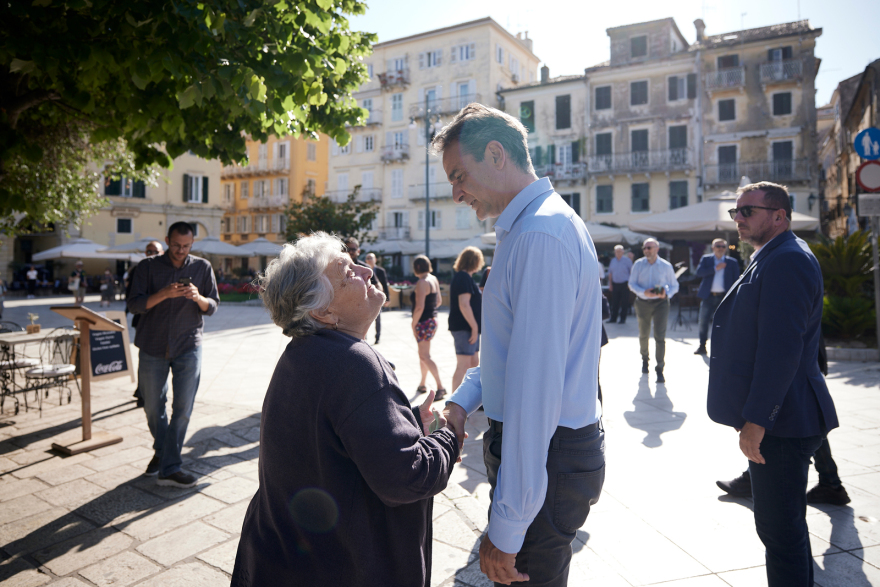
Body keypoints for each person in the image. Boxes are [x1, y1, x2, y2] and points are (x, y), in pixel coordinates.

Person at [435, 104, 604, 586]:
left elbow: (534, 393)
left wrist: (508, 527)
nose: (456, 193)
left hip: (548, 454)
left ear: (496, 154)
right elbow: (509, 356)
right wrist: (461, 402)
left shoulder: (537, 234)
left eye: (459, 175)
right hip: (552, 453)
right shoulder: (534, 226)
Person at [231, 233, 459, 587]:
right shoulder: (354, 362)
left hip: (282, 559)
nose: (367, 271)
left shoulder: (302, 352)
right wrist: (450, 433)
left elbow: (336, 441)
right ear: (324, 312)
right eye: (348, 273)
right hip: (340, 567)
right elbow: (407, 478)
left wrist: (409, 425)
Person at [707, 181, 838, 587]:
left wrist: (758, 420)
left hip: (784, 422)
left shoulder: (788, 259)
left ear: (779, 216)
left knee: (780, 533)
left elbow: (781, 351)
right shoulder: (773, 254)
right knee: (782, 530)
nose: (738, 218)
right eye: (736, 211)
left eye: (748, 211)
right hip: (784, 418)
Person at [127, 222, 219, 488]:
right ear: (167, 240)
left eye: (186, 246)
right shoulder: (147, 267)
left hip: (188, 345)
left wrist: (198, 297)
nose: (181, 250)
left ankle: (169, 466)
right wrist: (163, 294)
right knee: (152, 406)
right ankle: (163, 453)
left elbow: (213, 305)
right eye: (176, 245)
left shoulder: (202, 267)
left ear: (192, 243)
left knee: (183, 409)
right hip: (152, 345)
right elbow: (134, 304)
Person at [628, 238, 679, 383]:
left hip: (661, 303)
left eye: (649, 248)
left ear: (657, 249)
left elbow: (674, 285)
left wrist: (666, 294)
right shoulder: (638, 264)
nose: (646, 250)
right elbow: (631, 284)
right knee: (643, 334)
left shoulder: (666, 266)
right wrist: (644, 292)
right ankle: (645, 359)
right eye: (644, 248)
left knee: (659, 336)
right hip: (642, 302)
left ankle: (660, 368)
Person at [126, 241, 164, 408]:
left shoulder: (169, 269)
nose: (151, 254)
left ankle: (151, 391)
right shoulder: (139, 269)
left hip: (166, 321)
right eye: (149, 251)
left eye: (155, 251)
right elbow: (131, 297)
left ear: (162, 252)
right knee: (146, 357)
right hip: (143, 319)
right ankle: (142, 392)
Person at [693, 239, 740, 355]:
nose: (720, 248)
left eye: (723, 246)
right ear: (713, 248)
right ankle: (702, 346)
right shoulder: (706, 259)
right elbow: (699, 273)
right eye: (718, 246)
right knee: (703, 322)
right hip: (708, 296)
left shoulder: (732, 262)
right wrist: (715, 268)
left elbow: (737, 280)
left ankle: (723, 347)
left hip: (724, 297)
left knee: (725, 323)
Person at [449, 246, 484, 392]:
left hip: (468, 327)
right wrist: (474, 328)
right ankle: (453, 402)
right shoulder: (463, 277)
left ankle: (470, 399)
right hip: (465, 328)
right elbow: (464, 304)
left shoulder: (465, 277)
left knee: (474, 364)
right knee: (463, 365)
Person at [411, 255, 446, 399]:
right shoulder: (433, 279)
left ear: (417, 267)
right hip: (432, 320)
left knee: (425, 356)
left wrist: (413, 323)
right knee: (423, 355)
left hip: (423, 322)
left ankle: (440, 387)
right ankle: (422, 384)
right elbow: (438, 301)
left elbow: (419, 307)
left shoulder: (422, 282)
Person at [364, 252, 390, 344]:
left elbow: (385, 284)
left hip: (377, 298)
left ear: (375, 260)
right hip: (366, 298)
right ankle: (364, 337)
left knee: (378, 318)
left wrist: (387, 298)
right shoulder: (363, 269)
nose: (369, 260)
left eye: (371, 258)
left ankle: (377, 336)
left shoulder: (380, 271)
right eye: (368, 258)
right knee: (364, 318)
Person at [607, 245, 633, 324]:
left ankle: (622, 319)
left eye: (619, 251)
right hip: (615, 284)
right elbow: (610, 273)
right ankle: (613, 318)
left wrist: (630, 284)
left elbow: (632, 272)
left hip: (625, 284)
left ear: (623, 252)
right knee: (615, 302)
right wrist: (610, 284)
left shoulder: (627, 261)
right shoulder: (613, 261)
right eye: (616, 251)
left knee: (624, 302)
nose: (618, 253)